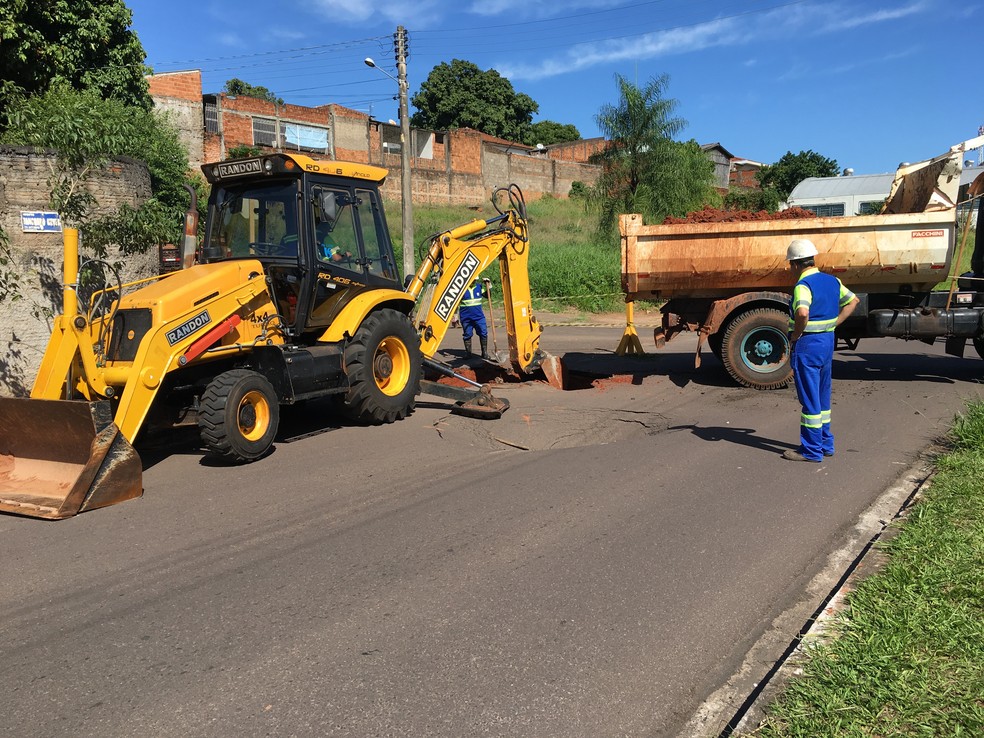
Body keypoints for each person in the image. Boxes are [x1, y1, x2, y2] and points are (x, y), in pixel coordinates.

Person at [783, 238, 859, 462]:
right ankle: (826, 444)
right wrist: (834, 324)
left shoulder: (803, 286)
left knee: (809, 399)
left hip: (808, 345)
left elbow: (803, 313)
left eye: (790, 265)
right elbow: (853, 301)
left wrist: (796, 334)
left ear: (796, 264)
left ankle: (812, 450)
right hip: (827, 342)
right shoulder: (832, 280)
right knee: (823, 397)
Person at [458, 279, 490, 359]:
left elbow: (488, 295)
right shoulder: (461, 289)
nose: (473, 282)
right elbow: (455, 303)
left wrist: (488, 286)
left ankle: (484, 353)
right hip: (466, 317)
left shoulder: (479, 287)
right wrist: (455, 315)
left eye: (474, 280)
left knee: (483, 332)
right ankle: (468, 353)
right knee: (467, 334)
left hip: (479, 317)